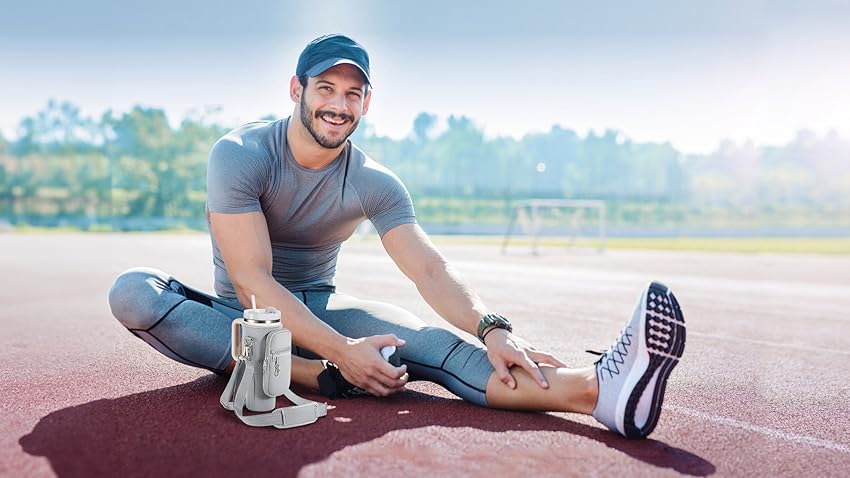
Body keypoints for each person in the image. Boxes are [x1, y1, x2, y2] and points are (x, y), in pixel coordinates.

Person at [107, 34, 686, 439]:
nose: (338, 104)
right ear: (296, 89)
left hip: (324, 309)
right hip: (243, 319)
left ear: (367, 102)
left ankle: (600, 391)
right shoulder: (240, 155)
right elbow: (252, 281)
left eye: (352, 93)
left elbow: (429, 270)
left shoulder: (375, 183)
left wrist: (493, 327)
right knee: (134, 292)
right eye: (326, 88)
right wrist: (340, 357)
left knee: (434, 346)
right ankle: (314, 376)